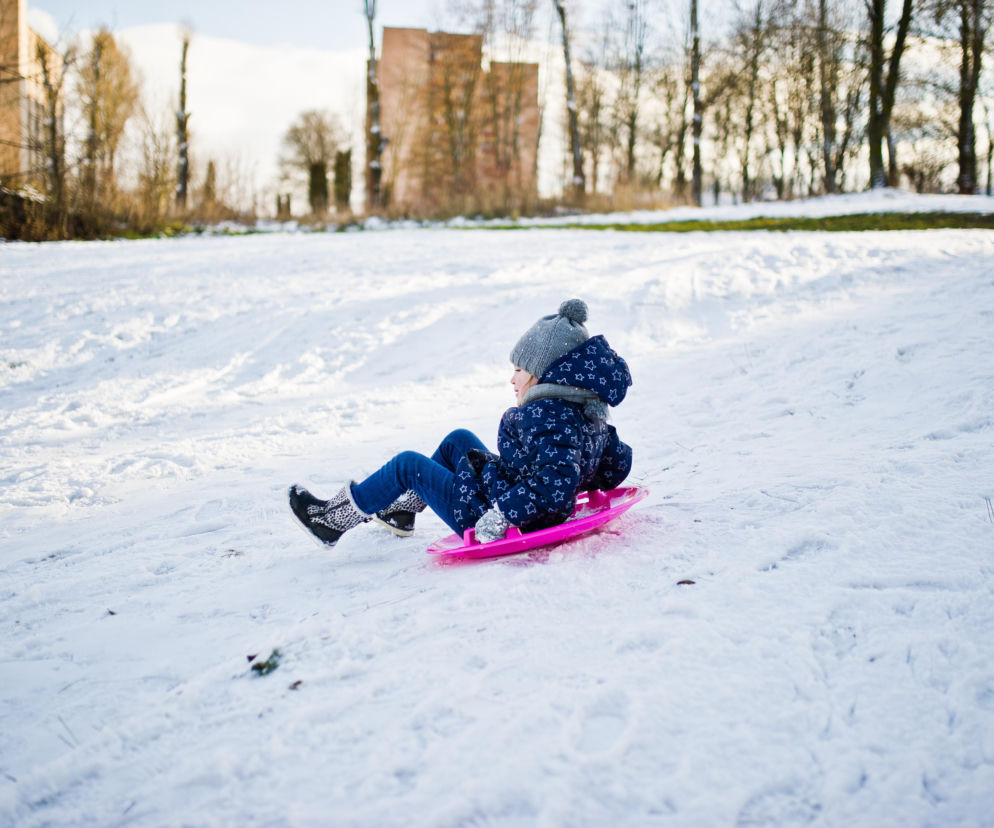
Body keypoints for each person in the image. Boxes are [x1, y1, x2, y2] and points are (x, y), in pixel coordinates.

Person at [288, 298, 633, 547]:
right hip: (511, 494)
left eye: (518, 370)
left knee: (407, 465)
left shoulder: (548, 416)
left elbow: (554, 485)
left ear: (543, 374)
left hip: (493, 514)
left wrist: (502, 516)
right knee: (459, 439)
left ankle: (331, 520)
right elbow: (614, 465)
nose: (512, 380)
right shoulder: (585, 410)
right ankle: (402, 511)